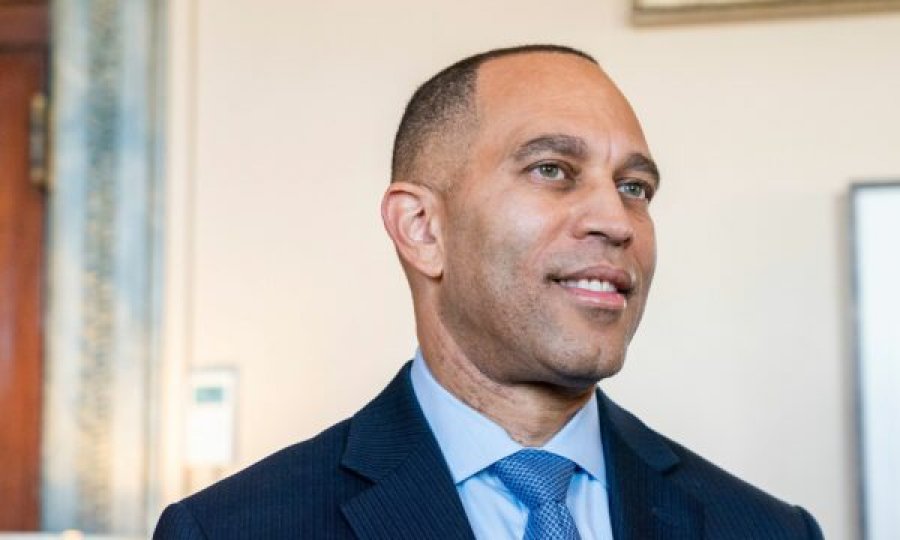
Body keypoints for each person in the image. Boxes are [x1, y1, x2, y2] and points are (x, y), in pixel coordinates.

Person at [154, 44, 824, 539]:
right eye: (553, 170)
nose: (617, 221)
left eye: (634, 187)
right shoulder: (231, 529)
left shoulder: (768, 529)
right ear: (422, 228)